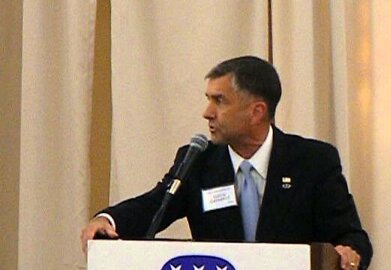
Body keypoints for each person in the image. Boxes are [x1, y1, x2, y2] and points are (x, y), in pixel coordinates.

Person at [81, 56, 372, 269]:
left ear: (256, 111)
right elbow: (154, 206)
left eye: (219, 101)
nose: (207, 113)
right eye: (208, 99)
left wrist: (349, 253)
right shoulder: (197, 162)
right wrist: (106, 220)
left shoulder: (312, 161)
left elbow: (351, 236)